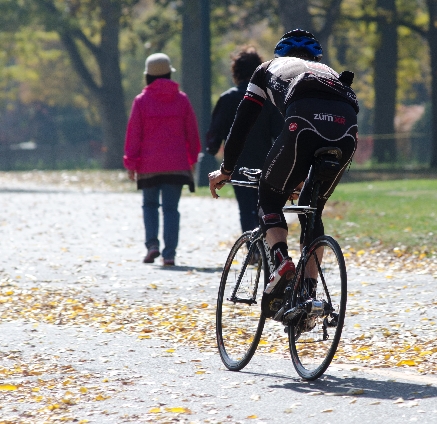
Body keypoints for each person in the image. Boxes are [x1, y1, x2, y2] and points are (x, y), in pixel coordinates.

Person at [208, 29, 358, 315]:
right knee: (314, 210)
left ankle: (281, 264)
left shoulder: (266, 70)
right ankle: (309, 297)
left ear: (280, 55)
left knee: (270, 196)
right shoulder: (328, 72)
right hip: (347, 131)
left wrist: (226, 169)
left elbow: (242, 124)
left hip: (303, 122)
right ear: (315, 57)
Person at [123, 53, 201, 266]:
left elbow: (134, 135)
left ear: (147, 76)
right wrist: (192, 158)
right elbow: (192, 133)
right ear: (169, 73)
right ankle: (169, 254)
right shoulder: (182, 100)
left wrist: (131, 162)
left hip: (148, 165)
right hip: (176, 165)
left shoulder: (141, 101)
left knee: (149, 205)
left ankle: (152, 245)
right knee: (171, 209)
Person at [206, 47, 284, 234]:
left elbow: (215, 131)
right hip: (265, 161)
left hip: (236, 163)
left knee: (245, 207)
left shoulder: (227, 98)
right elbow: (279, 130)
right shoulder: (268, 99)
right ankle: (266, 243)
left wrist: (213, 147)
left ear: (236, 71)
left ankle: (252, 247)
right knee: (264, 205)